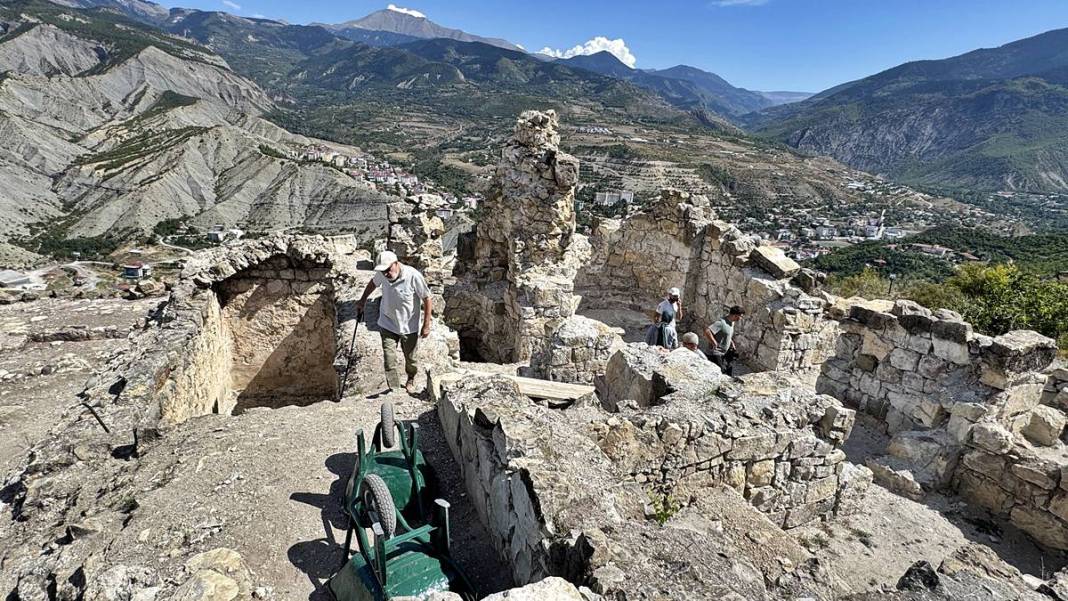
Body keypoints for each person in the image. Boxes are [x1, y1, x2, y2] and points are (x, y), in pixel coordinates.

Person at [356, 251, 432, 394]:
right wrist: (362, 300)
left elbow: (427, 298)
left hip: (409, 326)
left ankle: (410, 378)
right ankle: (394, 388)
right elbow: (373, 283)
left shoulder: (413, 275)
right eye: (383, 271)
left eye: (388, 270)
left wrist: (426, 324)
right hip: (387, 322)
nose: (385, 274)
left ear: (396, 263)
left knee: (411, 359)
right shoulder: (382, 274)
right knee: (389, 359)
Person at [705, 305, 745, 376]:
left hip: (724, 352)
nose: (741, 318)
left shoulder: (732, 323)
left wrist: (731, 342)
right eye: (740, 316)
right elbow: (707, 331)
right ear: (735, 315)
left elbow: (727, 334)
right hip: (716, 353)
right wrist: (714, 342)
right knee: (720, 372)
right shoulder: (721, 323)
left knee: (728, 369)